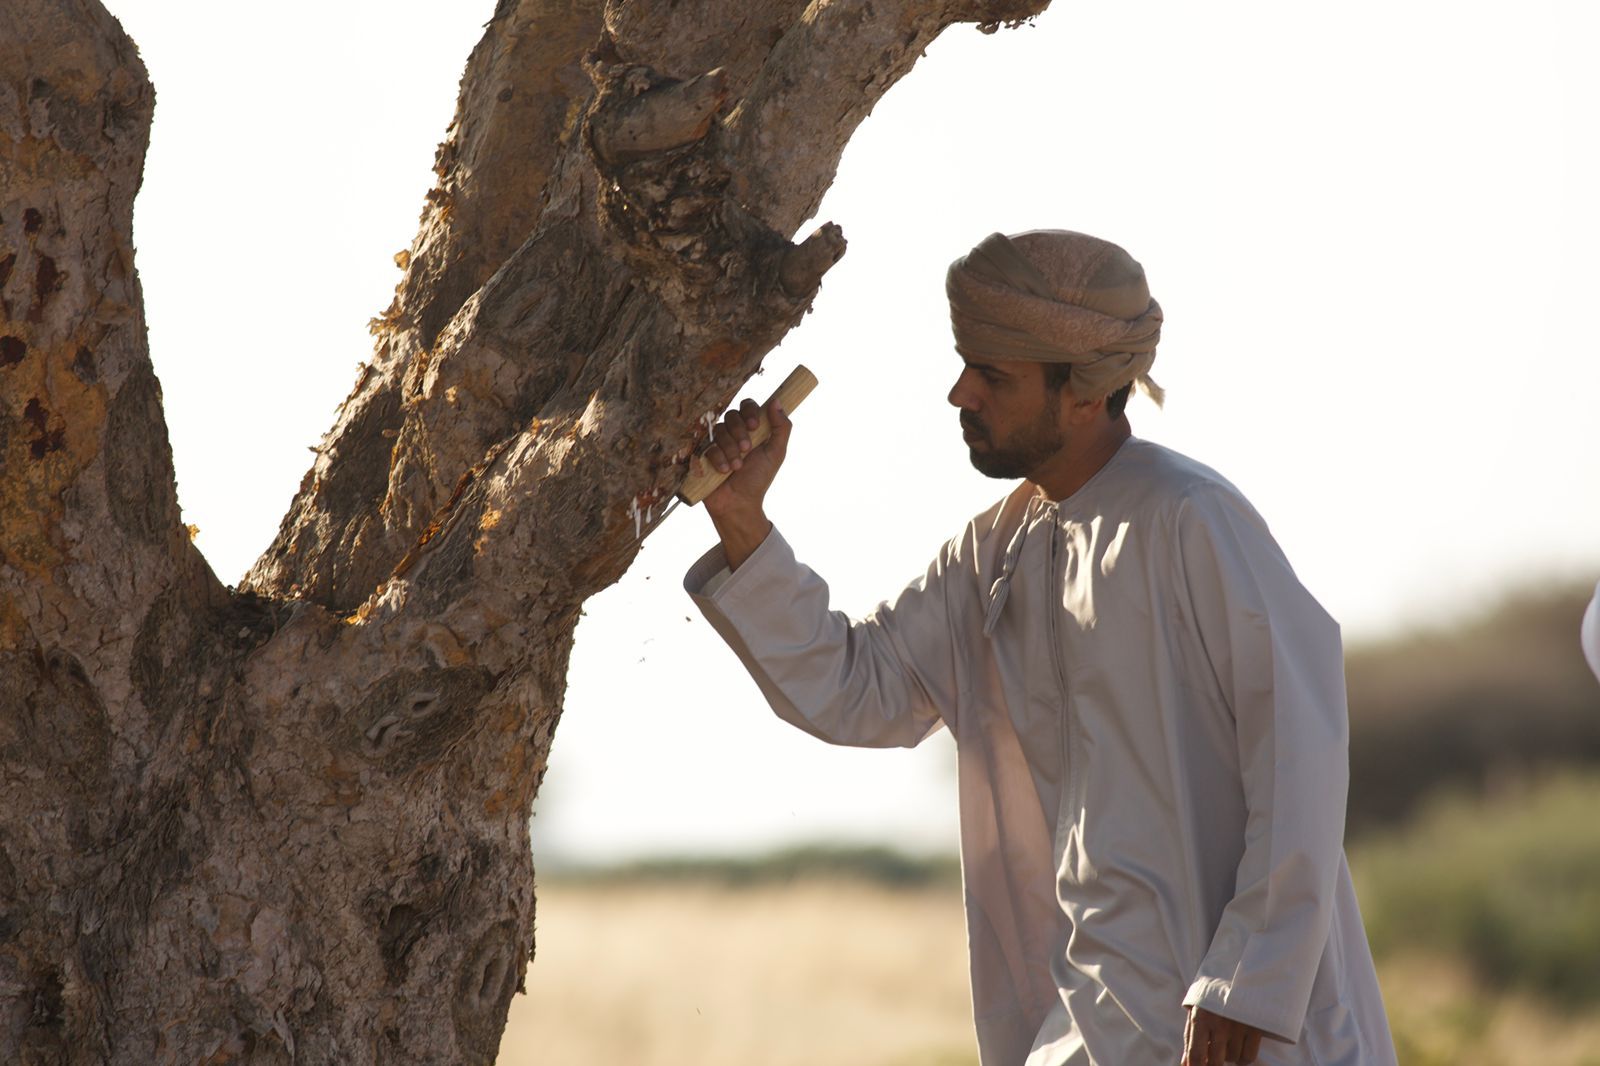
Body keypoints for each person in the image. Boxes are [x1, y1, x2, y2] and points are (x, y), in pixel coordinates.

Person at [684, 230, 1396, 1066]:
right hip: (1086, 1036)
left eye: (993, 375)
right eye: (966, 365)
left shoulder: (1192, 519)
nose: (959, 393)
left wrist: (1250, 982)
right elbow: (855, 687)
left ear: (1085, 392)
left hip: (1253, 1038)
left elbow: (1300, 749)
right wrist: (741, 516)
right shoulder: (997, 551)